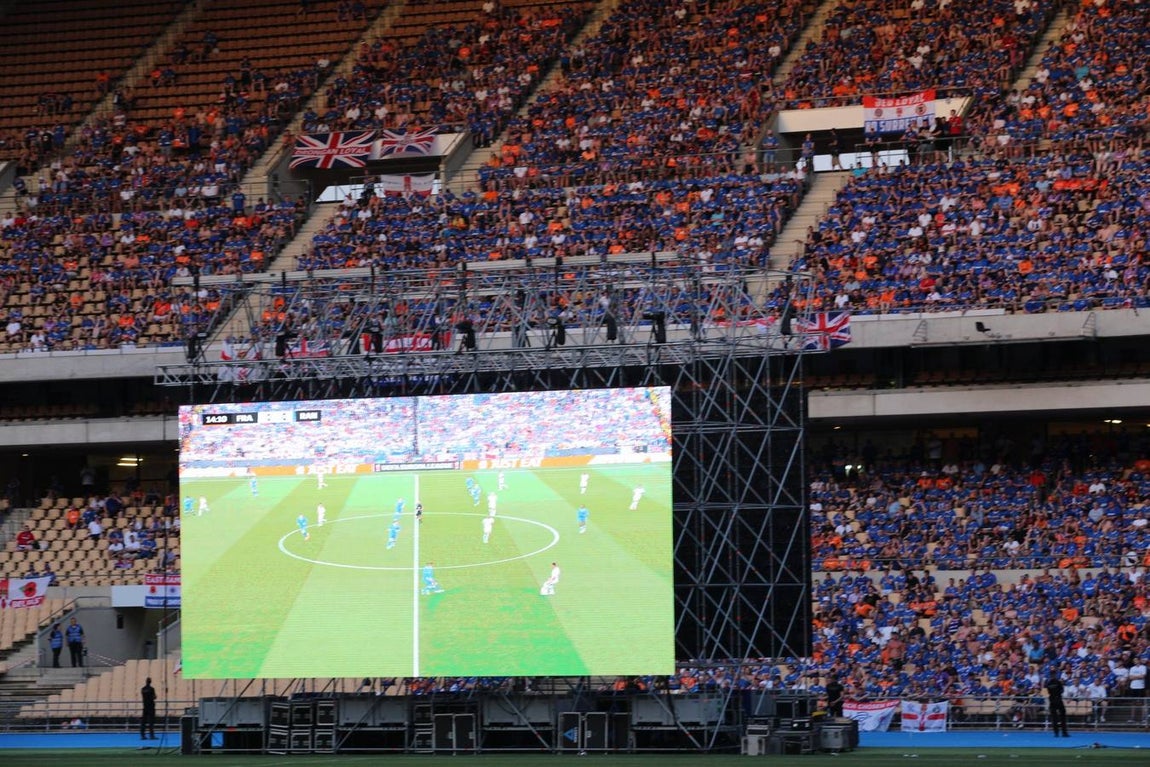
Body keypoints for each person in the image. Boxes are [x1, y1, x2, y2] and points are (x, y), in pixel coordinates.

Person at [1047, 672, 1069, 737]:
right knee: (1062, 717)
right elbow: (1061, 690)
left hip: (1052, 700)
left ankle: (1056, 733)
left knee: (1054, 718)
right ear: (1055, 675)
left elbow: (1049, 692)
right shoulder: (1058, 682)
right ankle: (1064, 733)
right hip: (1058, 700)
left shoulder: (1048, 683)